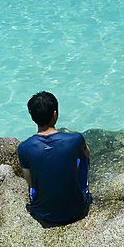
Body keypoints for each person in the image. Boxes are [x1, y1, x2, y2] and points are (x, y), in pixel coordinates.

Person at [16, 91, 91, 227]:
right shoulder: (75, 139)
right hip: (77, 210)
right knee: (83, 158)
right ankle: (83, 190)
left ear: (32, 117)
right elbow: (87, 154)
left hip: (43, 213)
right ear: (55, 114)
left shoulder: (24, 148)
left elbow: (31, 184)